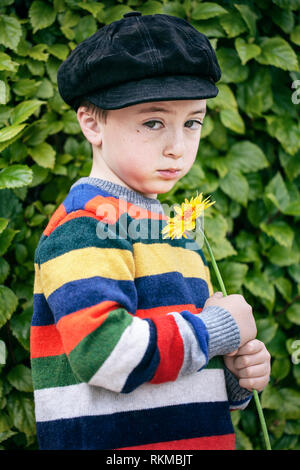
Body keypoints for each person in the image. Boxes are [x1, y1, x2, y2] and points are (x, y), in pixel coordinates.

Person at [30, 11, 271, 450]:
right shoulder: (86, 226)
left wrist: (234, 376)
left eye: (192, 122)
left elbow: (178, 378)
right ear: (92, 123)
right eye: (154, 122)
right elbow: (107, 355)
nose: (177, 146)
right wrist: (216, 329)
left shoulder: (175, 232)